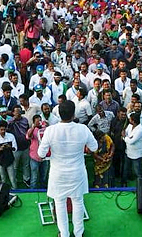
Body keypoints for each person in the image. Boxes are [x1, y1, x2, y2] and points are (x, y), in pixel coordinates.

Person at [37, 100, 98, 237]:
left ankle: (64, 234)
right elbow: (94, 147)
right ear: (73, 113)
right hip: (77, 173)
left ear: (58, 113)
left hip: (58, 174)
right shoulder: (83, 129)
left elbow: (41, 154)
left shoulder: (50, 131)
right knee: (78, 202)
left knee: (60, 203)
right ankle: (78, 233)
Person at [0, 120, 18, 188]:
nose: (3, 131)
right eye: (1, 130)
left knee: (12, 179)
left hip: (10, 160)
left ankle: (15, 192)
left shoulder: (11, 136)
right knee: (3, 179)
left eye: (4, 129)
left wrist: (9, 147)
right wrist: (0, 149)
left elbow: (15, 148)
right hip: (1, 161)